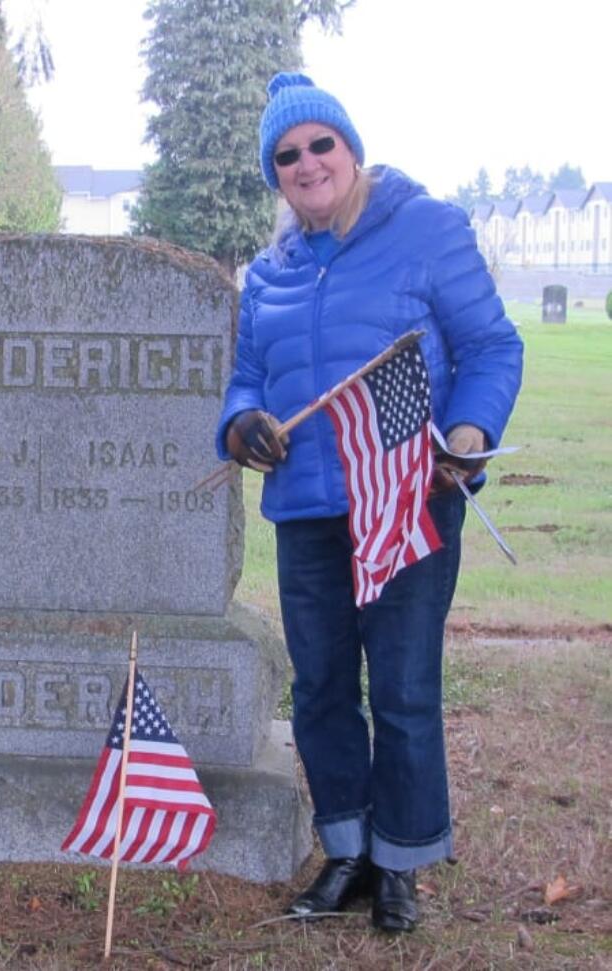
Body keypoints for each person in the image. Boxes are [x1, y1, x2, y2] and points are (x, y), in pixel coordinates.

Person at [216, 73, 522, 933]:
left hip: (406, 500)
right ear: (274, 175)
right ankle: (345, 846)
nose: (308, 163)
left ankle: (401, 859)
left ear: (352, 149)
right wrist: (242, 426)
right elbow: (245, 382)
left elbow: (493, 346)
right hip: (309, 508)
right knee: (318, 689)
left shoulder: (426, 230)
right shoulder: (267, 274)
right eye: (287, 155)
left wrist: (466, 434)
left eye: (321, 144)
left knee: (401, 689)